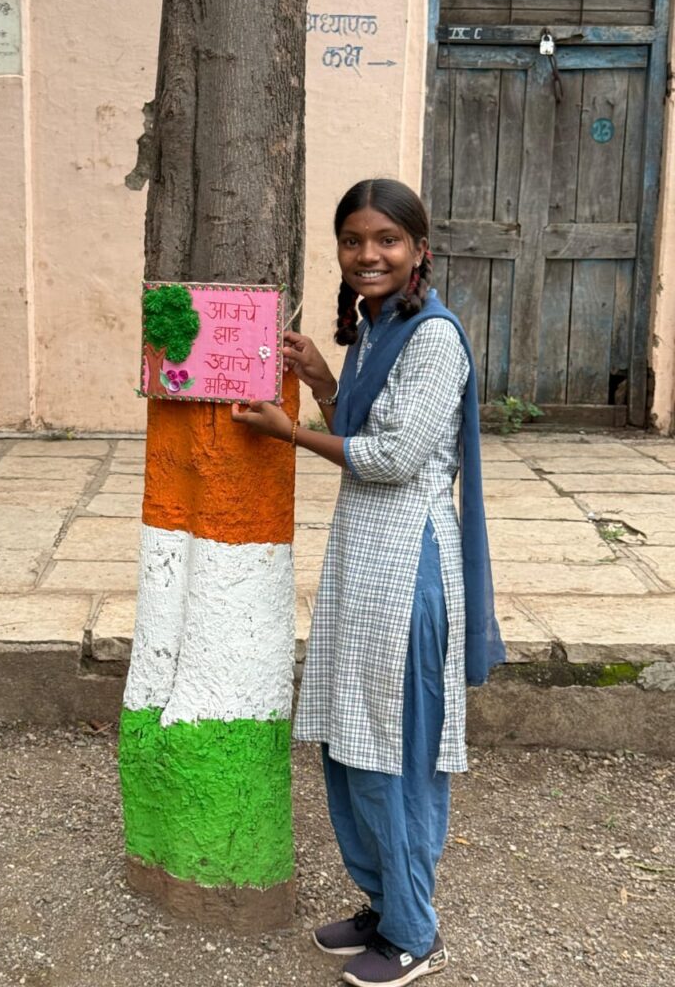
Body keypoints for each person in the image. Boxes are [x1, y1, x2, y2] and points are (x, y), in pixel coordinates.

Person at [232, 178, 505, 987]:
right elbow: (368, 423)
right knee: (352, 740)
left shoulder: (434, 337)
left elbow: (392, 456)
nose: (368, 255)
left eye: (387, 239)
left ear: (420, 248)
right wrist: (322, 378)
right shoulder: (382, 327)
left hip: (411, 568)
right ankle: (383, 904)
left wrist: (293, 435)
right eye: (354, 241)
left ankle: (414, 931)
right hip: (365, 564)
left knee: (398, 750)